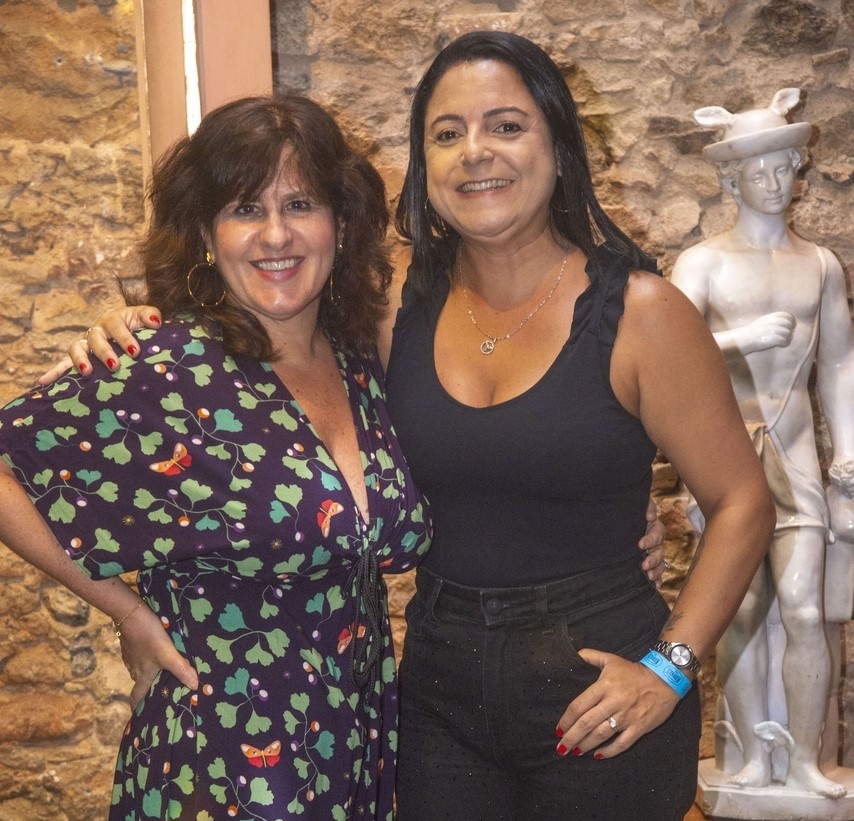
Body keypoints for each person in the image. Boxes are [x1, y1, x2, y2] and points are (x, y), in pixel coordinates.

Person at [48, 32, 770, 821]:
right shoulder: (392, 313)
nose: (476, 152)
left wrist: (669, 667)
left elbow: (742, 501)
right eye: (447, 133)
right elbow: (265, 346)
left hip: (601, 685)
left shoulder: (641, 314)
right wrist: (133, 328)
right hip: (437, 697)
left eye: (506, 125)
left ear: (559, 147)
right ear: (425, 164)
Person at [0, 94, 433, 821]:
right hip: (219, 760)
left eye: (300, 204)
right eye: (244, 209)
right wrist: (125, 610)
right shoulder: (164, 367)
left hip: (349, 749)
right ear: (206, 232)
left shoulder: (362, 360)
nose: (276, 235)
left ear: (341, 222)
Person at [671, 89, 854, 799]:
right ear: (731, 180)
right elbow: (667, 354)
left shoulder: (820, 265)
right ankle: (749, 755)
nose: (775, 182)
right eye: (759, 171)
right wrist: (741, 338)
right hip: (725, 461)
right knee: (740, 608)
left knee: (805, 608)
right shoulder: (703, 263)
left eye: (784, 167)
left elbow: (838, 363)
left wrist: (847, 449)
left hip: (798, 457)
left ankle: (806, 760)